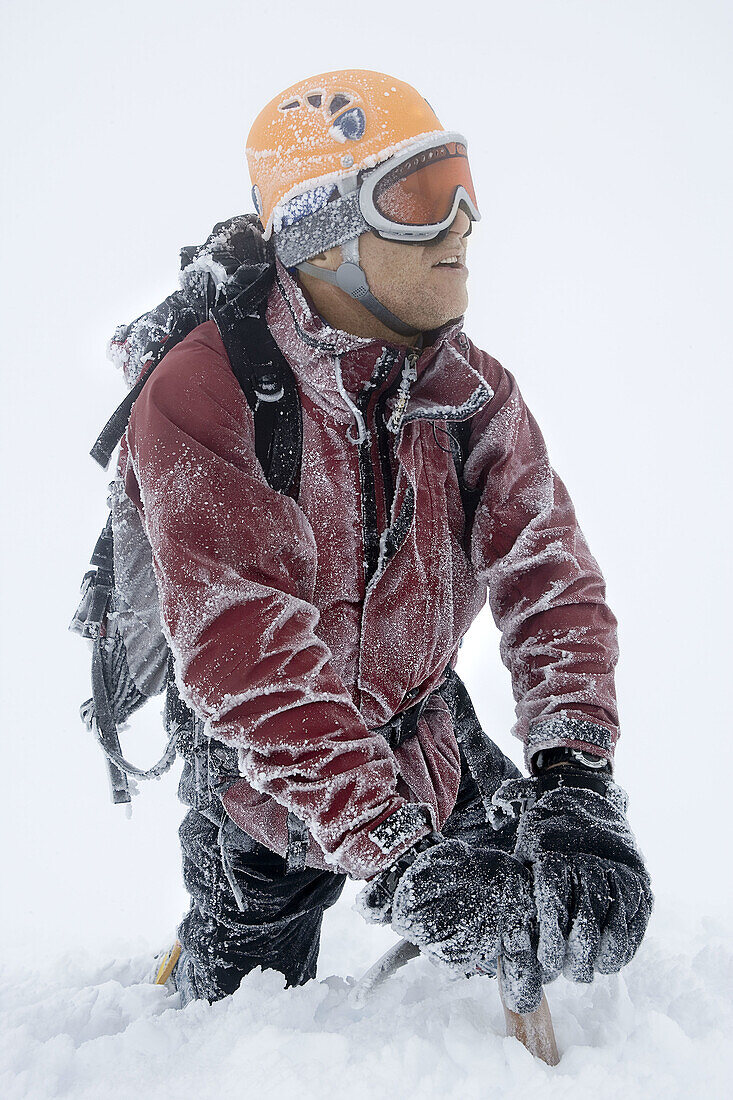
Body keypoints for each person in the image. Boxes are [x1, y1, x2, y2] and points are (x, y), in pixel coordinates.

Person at [123, 70, 652, 1009]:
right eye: (414, 198)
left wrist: (577, 778)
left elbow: (549, 577)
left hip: (423, 727)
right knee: (244, 1026)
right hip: (267, 773)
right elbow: (245, 661)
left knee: (534, 923)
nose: (460, 225)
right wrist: (399, 855)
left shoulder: (468, 391)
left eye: (461, 187)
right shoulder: (207, 393)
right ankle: (207, 975)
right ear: (321, 231)